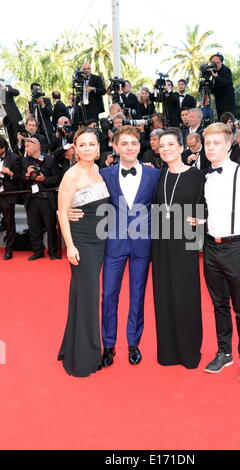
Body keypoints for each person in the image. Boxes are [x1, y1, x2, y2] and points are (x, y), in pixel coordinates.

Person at [68, 126, 160, 367]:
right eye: (125, 144)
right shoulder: (104, 174)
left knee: (137, 296)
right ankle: (108, 346)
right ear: (116, 147)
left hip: (142, 245)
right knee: (108, 296)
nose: (130, 148)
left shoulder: (154, 175)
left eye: (134, 143)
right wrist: (67, 210)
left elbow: (166, 204)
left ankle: (133, 344)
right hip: (112, 244)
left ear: (140, 146)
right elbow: (83, 195)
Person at [202, 123, 240, 381]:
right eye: (208, 144)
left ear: (228, 145)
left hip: (237, 247)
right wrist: (200, 222)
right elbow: (213, 211)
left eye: (217, 143)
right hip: (210, 247)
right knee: (218, 305)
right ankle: (224, 353)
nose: (211, 148)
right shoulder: (205, 176)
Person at [57, 127, 110, 377]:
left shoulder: (97, 170)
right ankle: (86, 357)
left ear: (98, 146)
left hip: (100, 241)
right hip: (82, 243)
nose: (88, 148)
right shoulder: (71, 176)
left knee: (81, 295)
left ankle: (72, 348)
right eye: (83, 145)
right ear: (75, 148)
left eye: (92, 144)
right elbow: (61, 213)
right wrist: (70, 246)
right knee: (88, 298)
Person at [151, 127, 204, 369]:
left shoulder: (196, 176)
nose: (166, 149)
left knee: (186, 295)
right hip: (161, 243)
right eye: (162, 146)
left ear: (182, 147)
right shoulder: (159, 176)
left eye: (171, 145)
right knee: (163, 294)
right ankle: (168, 351)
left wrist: (201, 219)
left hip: (185, 243)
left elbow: (206, 207)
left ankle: (189, 350)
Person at [22, 138, 60, 261]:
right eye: (25, 146)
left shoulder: (50, 159)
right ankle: (37, 251)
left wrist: (44, 179)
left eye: (28, 146)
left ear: (36, 146)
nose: (26, 148)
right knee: (34, 228)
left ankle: (53, 252)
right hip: (32, 200)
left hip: (46, 200)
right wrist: (27, 175)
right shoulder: (24, 161)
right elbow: (21, 182)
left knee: (50, 227)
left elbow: (57, 178)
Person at [0, 136, 21, 260]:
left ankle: (9, 250)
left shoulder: (14, 158)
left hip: (6, 196)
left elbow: (20, 178)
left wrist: (11, 173)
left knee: (9, 224)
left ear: (3, 148)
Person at [210, 54, 235, 120]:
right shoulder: (212, 71)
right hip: (218, 101)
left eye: (218, 62)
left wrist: (216, 77)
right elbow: (212, 88)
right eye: (214, 63)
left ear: (221, 62)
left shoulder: (226, 70)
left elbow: (225, 83)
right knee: (220, 119)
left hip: (227, 102)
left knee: (227, 119)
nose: (216, 64)